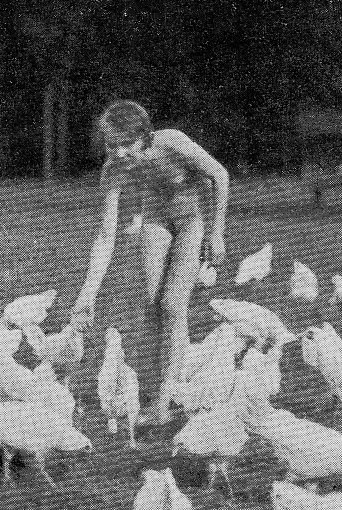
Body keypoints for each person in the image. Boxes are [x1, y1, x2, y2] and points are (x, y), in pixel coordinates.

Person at [72, 100, 229, 427]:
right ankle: (169, 384)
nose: (119, 153)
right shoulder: (114, 169)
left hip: (191, 219)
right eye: (111, 146)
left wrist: (216, 233)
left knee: (173, 304)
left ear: (144, 137)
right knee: (153, 304)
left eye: (126, 144)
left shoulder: (172, 142)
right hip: (156, 219)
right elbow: (106, 235)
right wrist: (87, 295)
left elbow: (219, 175)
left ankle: (163, 404)